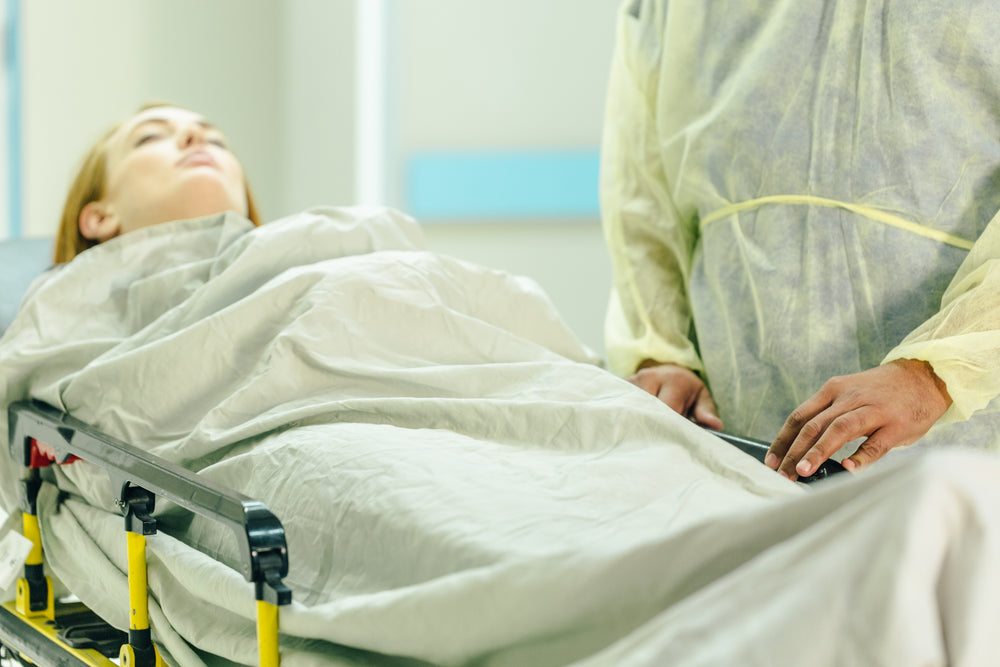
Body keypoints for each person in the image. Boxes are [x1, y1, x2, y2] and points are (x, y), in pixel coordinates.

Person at [601, 0, 1000, 481]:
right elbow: (641, 177)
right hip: (726, 442)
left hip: (967, 453)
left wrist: (937, 373)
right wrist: (661, 348)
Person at [52, 102, 261, 264]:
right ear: (100, 219)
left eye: (216, 141)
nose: (195, 136)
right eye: (150, 137)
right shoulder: (48, 318)